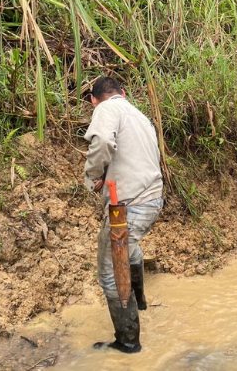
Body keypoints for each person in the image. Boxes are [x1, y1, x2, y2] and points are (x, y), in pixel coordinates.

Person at [83, 77, 164, 353]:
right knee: (130, 250)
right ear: (123, 93)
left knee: (110, 274)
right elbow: (132, 156)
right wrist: (106, 174)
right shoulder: (140, 116)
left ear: (94, 100)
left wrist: (92, 174)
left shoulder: (106, 109)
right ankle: (139, 302)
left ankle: (128, 341)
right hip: (152, 199)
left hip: (129, 205)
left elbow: (104, 140)